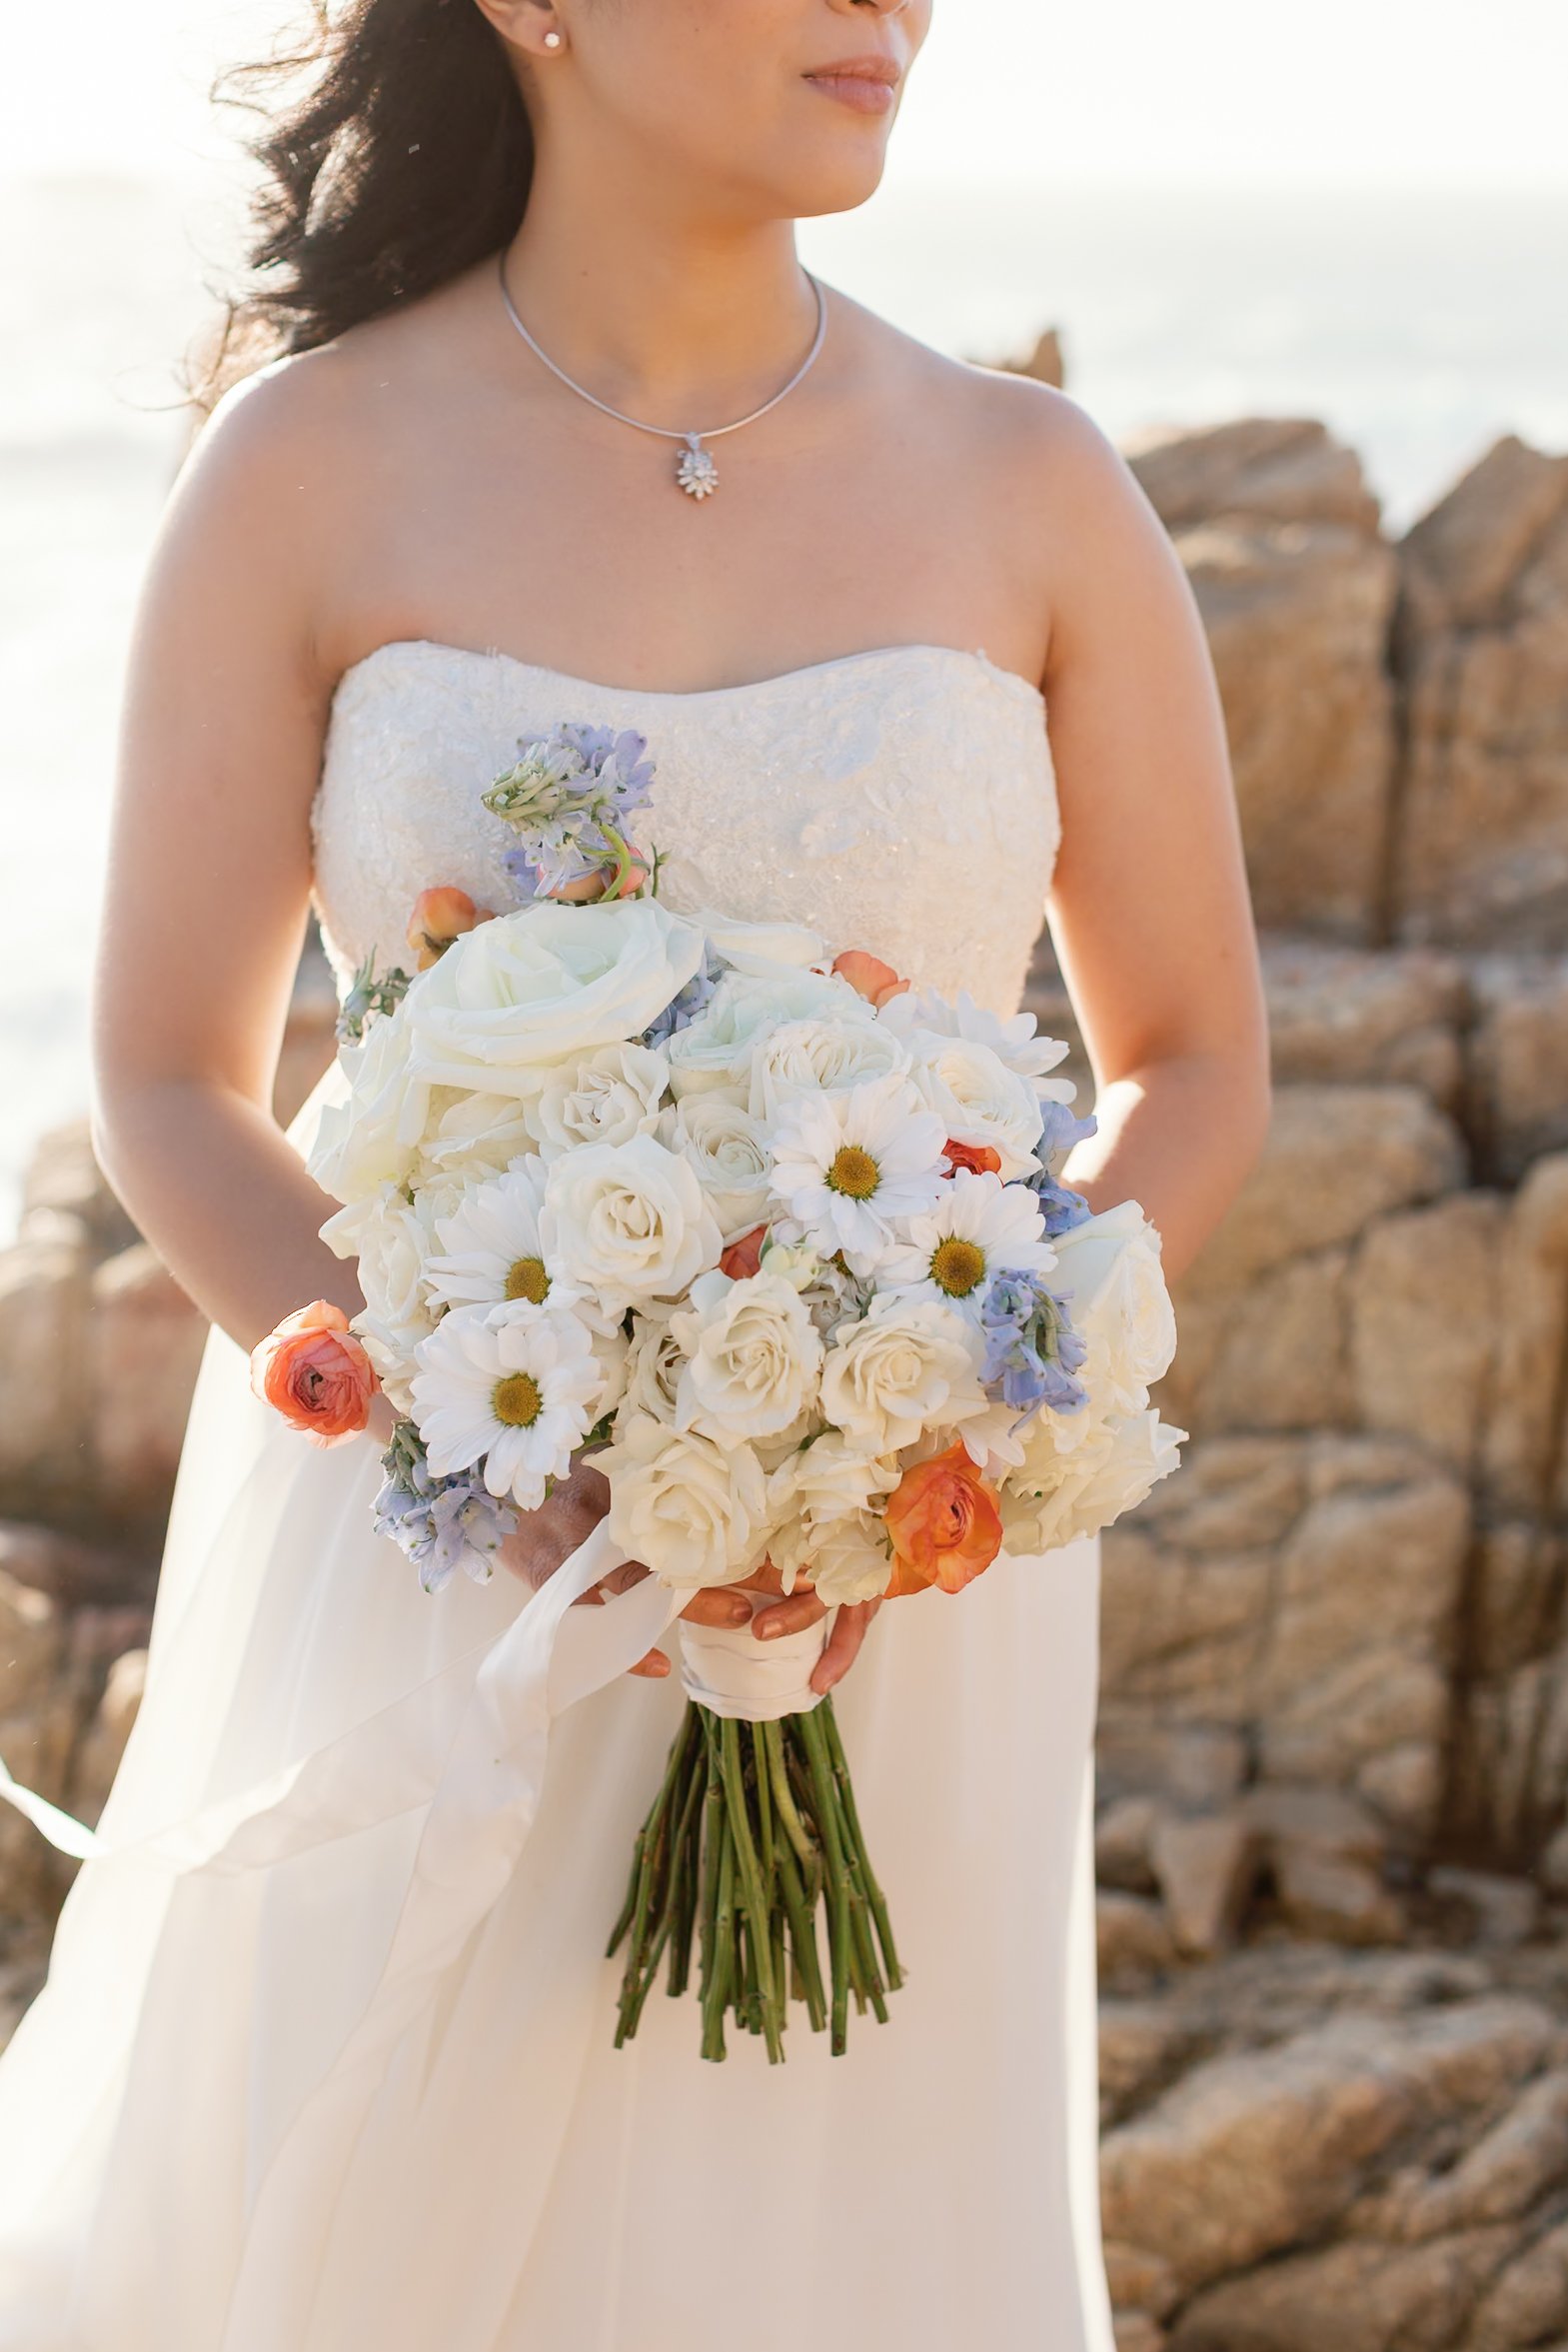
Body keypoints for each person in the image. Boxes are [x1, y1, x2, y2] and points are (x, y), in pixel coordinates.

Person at [0, 0, 1270, 2343]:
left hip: (894, 1603)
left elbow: (1188, 1060)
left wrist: (924, 1418)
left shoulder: (1032, 481)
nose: (893, 4)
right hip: (434, 1559)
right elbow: (169, 1080)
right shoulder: (303, 467)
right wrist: (485, 1426)